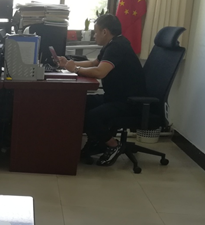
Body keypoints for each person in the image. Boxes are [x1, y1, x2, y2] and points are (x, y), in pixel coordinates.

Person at [57, 14, 147, 166]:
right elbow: (95, 63)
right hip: (115, 97)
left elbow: (100, 72)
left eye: (96, 31)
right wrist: (68, 64)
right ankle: (96, 142)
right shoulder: (113, 43)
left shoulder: (117, 47)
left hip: (129, 102)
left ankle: (113, 145)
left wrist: (76, 69)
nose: (94, 35)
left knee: (92, 117)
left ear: (105, 32)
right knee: (79, 103)